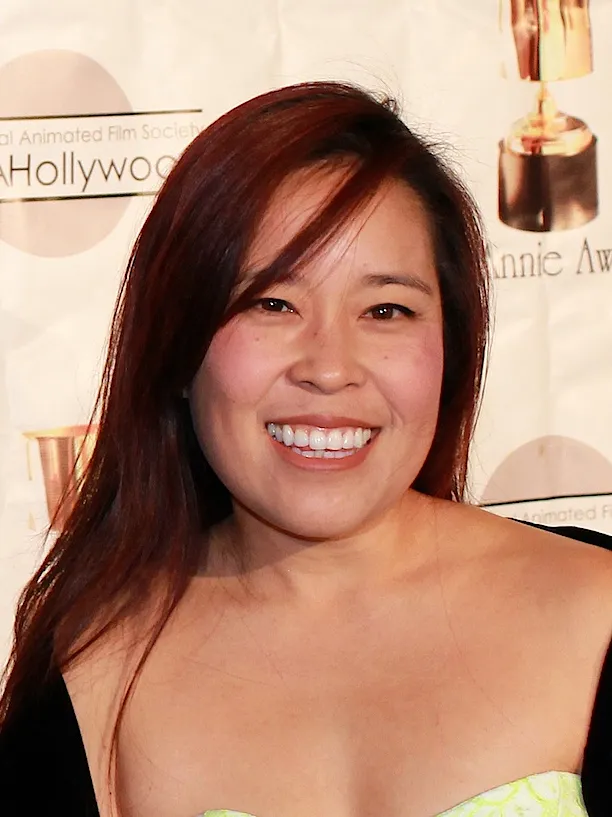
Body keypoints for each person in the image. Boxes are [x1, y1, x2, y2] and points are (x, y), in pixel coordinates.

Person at [0, 80, 611, 817]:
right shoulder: (89, 671)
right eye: (272, 303)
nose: (329, 367)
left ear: (450, 346)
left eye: (386, 310)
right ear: (179, 345)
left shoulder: (594, 609)